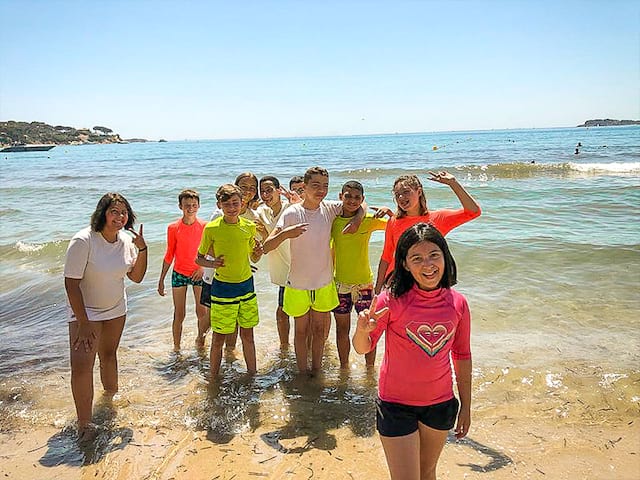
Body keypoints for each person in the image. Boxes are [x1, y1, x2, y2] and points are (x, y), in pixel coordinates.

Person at [353, 223, 471, 480]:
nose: (428, 265)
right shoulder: (390, 299)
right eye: (417, 258)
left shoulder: (458, 303)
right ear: (405, 264)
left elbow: (462, 355)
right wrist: (362, 331)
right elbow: (363, 348)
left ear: (445, 256)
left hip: (440, 404)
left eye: (434, 255)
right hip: (396, 404)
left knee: (427, 473)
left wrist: (467, 406)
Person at [263, 166, 363, 374]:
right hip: (298, 284)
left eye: (325, 186)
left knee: (319, 330)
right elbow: (266, 246)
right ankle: (301, 372)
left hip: (323, 282)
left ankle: (316, 372)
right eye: (315, 185)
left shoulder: (329, 208)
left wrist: (357, 219)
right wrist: (285, 234)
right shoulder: (292, 212)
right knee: (300, 331)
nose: (321, 190)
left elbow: (359, 204)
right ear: (305, 187)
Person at [64, 192, 147, 441]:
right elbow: (71, 285)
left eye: (123, 213)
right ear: (103, 213)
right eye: (114, 211)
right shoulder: (83, 240)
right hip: (85, 312)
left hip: (115, 309)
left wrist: (143, 249)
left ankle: (110, 403)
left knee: (109, 356)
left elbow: (137, 277)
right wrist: (83, 321)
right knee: (81, 365)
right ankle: (84, 422)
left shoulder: (125, 241)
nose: (119, 217)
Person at [196, 184, 263, 380]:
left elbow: (254, 257)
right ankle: (213, 379)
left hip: (246, 287)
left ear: (242, 203)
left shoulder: (249, 226)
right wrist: (212, 262)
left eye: (235, 203)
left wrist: (258, 252)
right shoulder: (212, 228)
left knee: (248, 336)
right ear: (219, 205)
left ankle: (253, 377)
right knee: (218, 339)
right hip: (222, 289)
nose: (232, 208)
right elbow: (198, 258)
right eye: (227, 204)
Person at [374, 171, 480, 295]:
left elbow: (473, 212)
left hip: (428, 279)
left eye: (406, 192)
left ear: (419, 192)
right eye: (397, 195)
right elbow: (386, 257)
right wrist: (378, 289)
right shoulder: (393, 221)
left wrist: (453, 183)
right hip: (397, 283)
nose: (401, 197)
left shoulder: (438, 218)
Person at [331, 180, 388, 368]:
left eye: (357, 197)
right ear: (341, 197)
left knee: (369, 330)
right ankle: (344, 368)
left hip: (364, 284)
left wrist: (388, 210)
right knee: (342, 330)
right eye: (348, 196)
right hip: (340, 285)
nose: (352, 200)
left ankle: (370, 370)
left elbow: (397, 226)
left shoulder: (368, 220)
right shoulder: (333, 222)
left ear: (362, 199)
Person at [157, 189, 209, 351]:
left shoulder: (205, 226)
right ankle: (176, 348)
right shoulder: (173, 228)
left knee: (202, 312)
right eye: (187, 205)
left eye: (194, 205)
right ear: (180, 206)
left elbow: (208, 251)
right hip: (179, 273)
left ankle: (200, 341)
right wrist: (161, 280)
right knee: (179, 314)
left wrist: (202, 268)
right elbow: (169, 254)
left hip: (198, 273)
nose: (191, 208)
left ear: (199, 205)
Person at [255, 175, 293, 348]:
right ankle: (284, 346)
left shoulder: (291, 207)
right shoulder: (262, 212)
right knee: (282, 311)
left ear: (279, 190)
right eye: (262, 191)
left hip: (299, 269)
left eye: (269, 190)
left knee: (305, 314)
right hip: (282, 273)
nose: (265, 194)